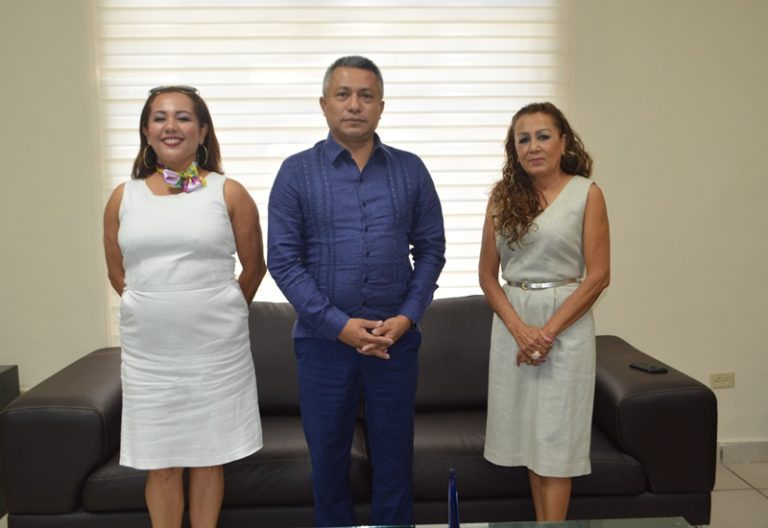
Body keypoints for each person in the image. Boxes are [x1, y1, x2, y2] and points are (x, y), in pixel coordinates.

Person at [267, 55, 446, 527]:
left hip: (395, 343)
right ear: (324, 104)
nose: (354, 105)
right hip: (323, 344)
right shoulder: (296, 172)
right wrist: (338, 326)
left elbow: (431, 251)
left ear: (381, 106)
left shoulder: (411, 170)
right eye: (343, 94)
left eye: (366, 96)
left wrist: (406, 317)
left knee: (395, 466)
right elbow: (283, 260)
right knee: (328, 467)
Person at [103, 85, 265, 528]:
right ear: (146, 131)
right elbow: (118, 274)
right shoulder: (123, 196)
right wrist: (157, 308)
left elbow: (254, 267)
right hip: (150, 356)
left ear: (203, 131)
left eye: (183, 117)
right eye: (159, 117)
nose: (170, 126)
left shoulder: (229, 192)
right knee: (161, 462)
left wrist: (216, 308)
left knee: (209, 457)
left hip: (215, 352)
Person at [479, 102, 610, 521]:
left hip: (565, 330)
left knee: (556, 447)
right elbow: (487, 276)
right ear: (514, 149)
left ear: (563, 142)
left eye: (543, 136)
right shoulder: (502, 197)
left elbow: (598, 276)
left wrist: (546, 334)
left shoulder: (586, 194)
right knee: (530, 446)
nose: (533, 146)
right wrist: (521, 331)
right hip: (512, 326)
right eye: (523, 139)